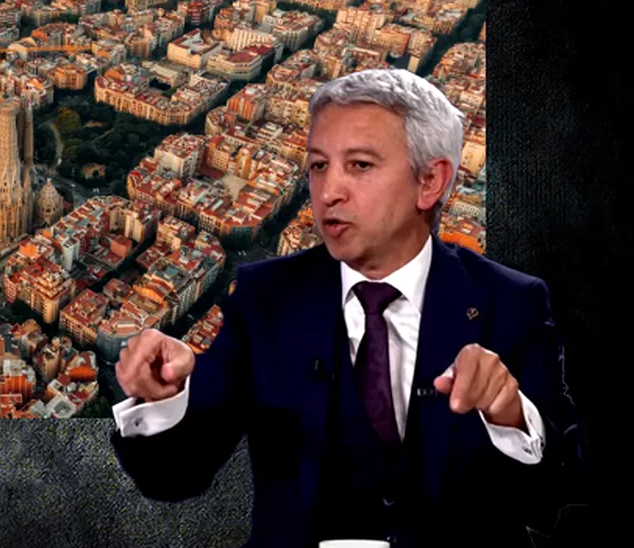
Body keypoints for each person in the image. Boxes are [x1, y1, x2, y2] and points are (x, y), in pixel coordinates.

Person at [110, 68, 586, 547]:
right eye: (319, 165)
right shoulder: (265, 297)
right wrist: (164, 398)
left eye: (359, 164)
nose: (328, 191)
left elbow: (555, 498)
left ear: (430, 181)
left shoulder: (512, 302)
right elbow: (174, 477)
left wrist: (508, 413)